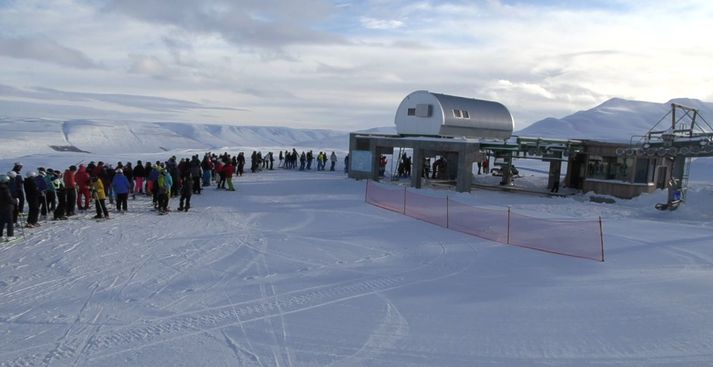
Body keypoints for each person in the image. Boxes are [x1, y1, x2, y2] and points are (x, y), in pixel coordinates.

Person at [0, 174, 15, 241]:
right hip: (7, 207)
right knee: (10, 221)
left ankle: (0, 236)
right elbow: (9, 199)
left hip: (1, 207)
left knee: (1, 221)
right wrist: (16, 201)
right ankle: (10, 235)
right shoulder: (5, 189)